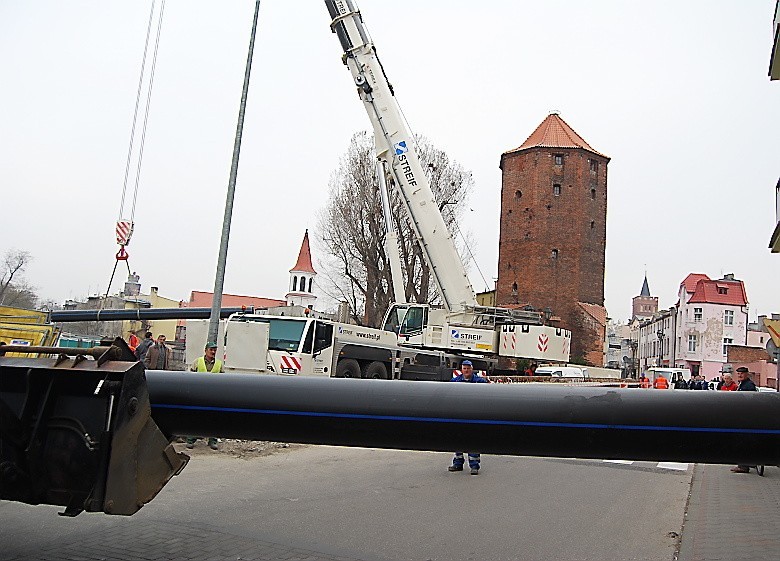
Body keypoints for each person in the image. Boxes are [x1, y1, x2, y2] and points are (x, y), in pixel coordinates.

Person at [447, 360, 488, 475]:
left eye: (468, 368)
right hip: (458, 415)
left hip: (474, 415)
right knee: (458, 439)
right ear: (461, 369)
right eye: (464, 368)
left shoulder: (479, 382)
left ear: (472, 369)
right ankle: (458, 464)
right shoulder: (455, 381)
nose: (466, 371)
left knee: (473, 440)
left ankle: (474, 466)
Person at [186, 342, 224, 450]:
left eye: (214, 350)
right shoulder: (197, 362)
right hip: (198, 394)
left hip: (213, 395)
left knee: (213, 417)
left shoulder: (219, 364)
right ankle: (191, 439)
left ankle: (212, 440)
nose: (213, 352)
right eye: (211, 350)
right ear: (206, 350)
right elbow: (190, 377)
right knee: (195, 416)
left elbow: (223, 380)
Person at [731, 367, 758, 473]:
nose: (740, 375)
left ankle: (744, 465)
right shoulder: (742, 384)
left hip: (747, 417)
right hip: (742, 416)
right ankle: (744, 464)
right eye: (738, 374)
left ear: (747, 374)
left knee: (743, 441)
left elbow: (750, 401)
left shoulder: (749, 385)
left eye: (742, 373)